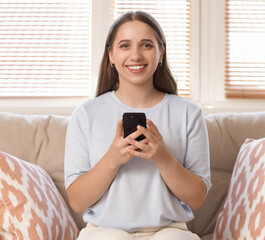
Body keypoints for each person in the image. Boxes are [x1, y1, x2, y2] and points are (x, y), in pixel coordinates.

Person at [64, 11, 211, 240]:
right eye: (125, 45)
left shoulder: (189, 113)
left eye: (146, 45)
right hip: (104, 231)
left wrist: (162, 158)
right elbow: (77, 201)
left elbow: (197, 198)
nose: (135, 55)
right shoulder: (86, 114)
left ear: (161, 53)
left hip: (169, 231)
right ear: (111, 55)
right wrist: (113, 158)